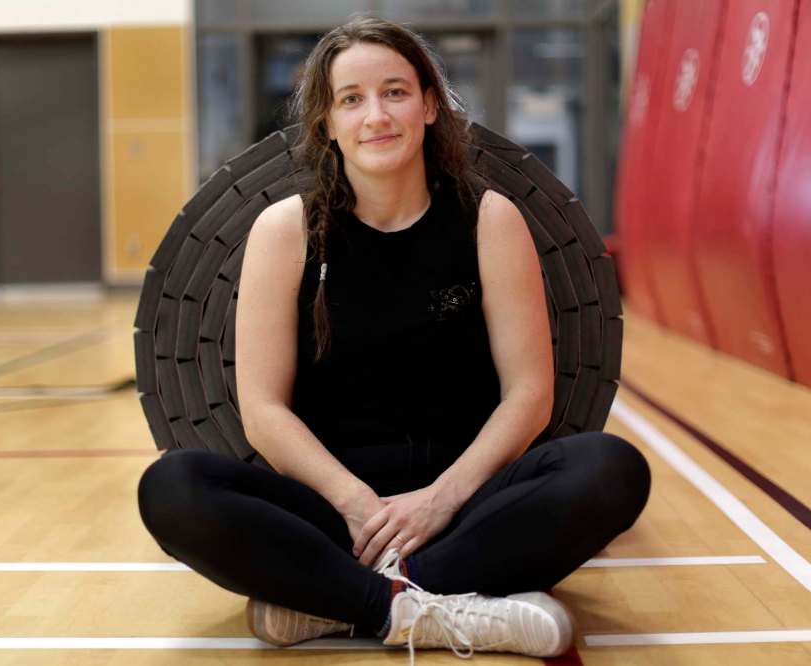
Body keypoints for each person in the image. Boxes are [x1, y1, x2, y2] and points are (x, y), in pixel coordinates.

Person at [137, 15, 651, 662]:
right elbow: (264, 412)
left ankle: (335, 603)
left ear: (430, 105)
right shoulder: (285, 230)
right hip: (333, 508)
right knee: (173, 487)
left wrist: (439, 502)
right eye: (351, 99)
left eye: (395, 92)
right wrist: (355, 506)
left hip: (465, 501)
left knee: (610, 469)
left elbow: (529, 395)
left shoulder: (490, 220)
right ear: (326, 122)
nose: (375, 115)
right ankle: (420, 609)